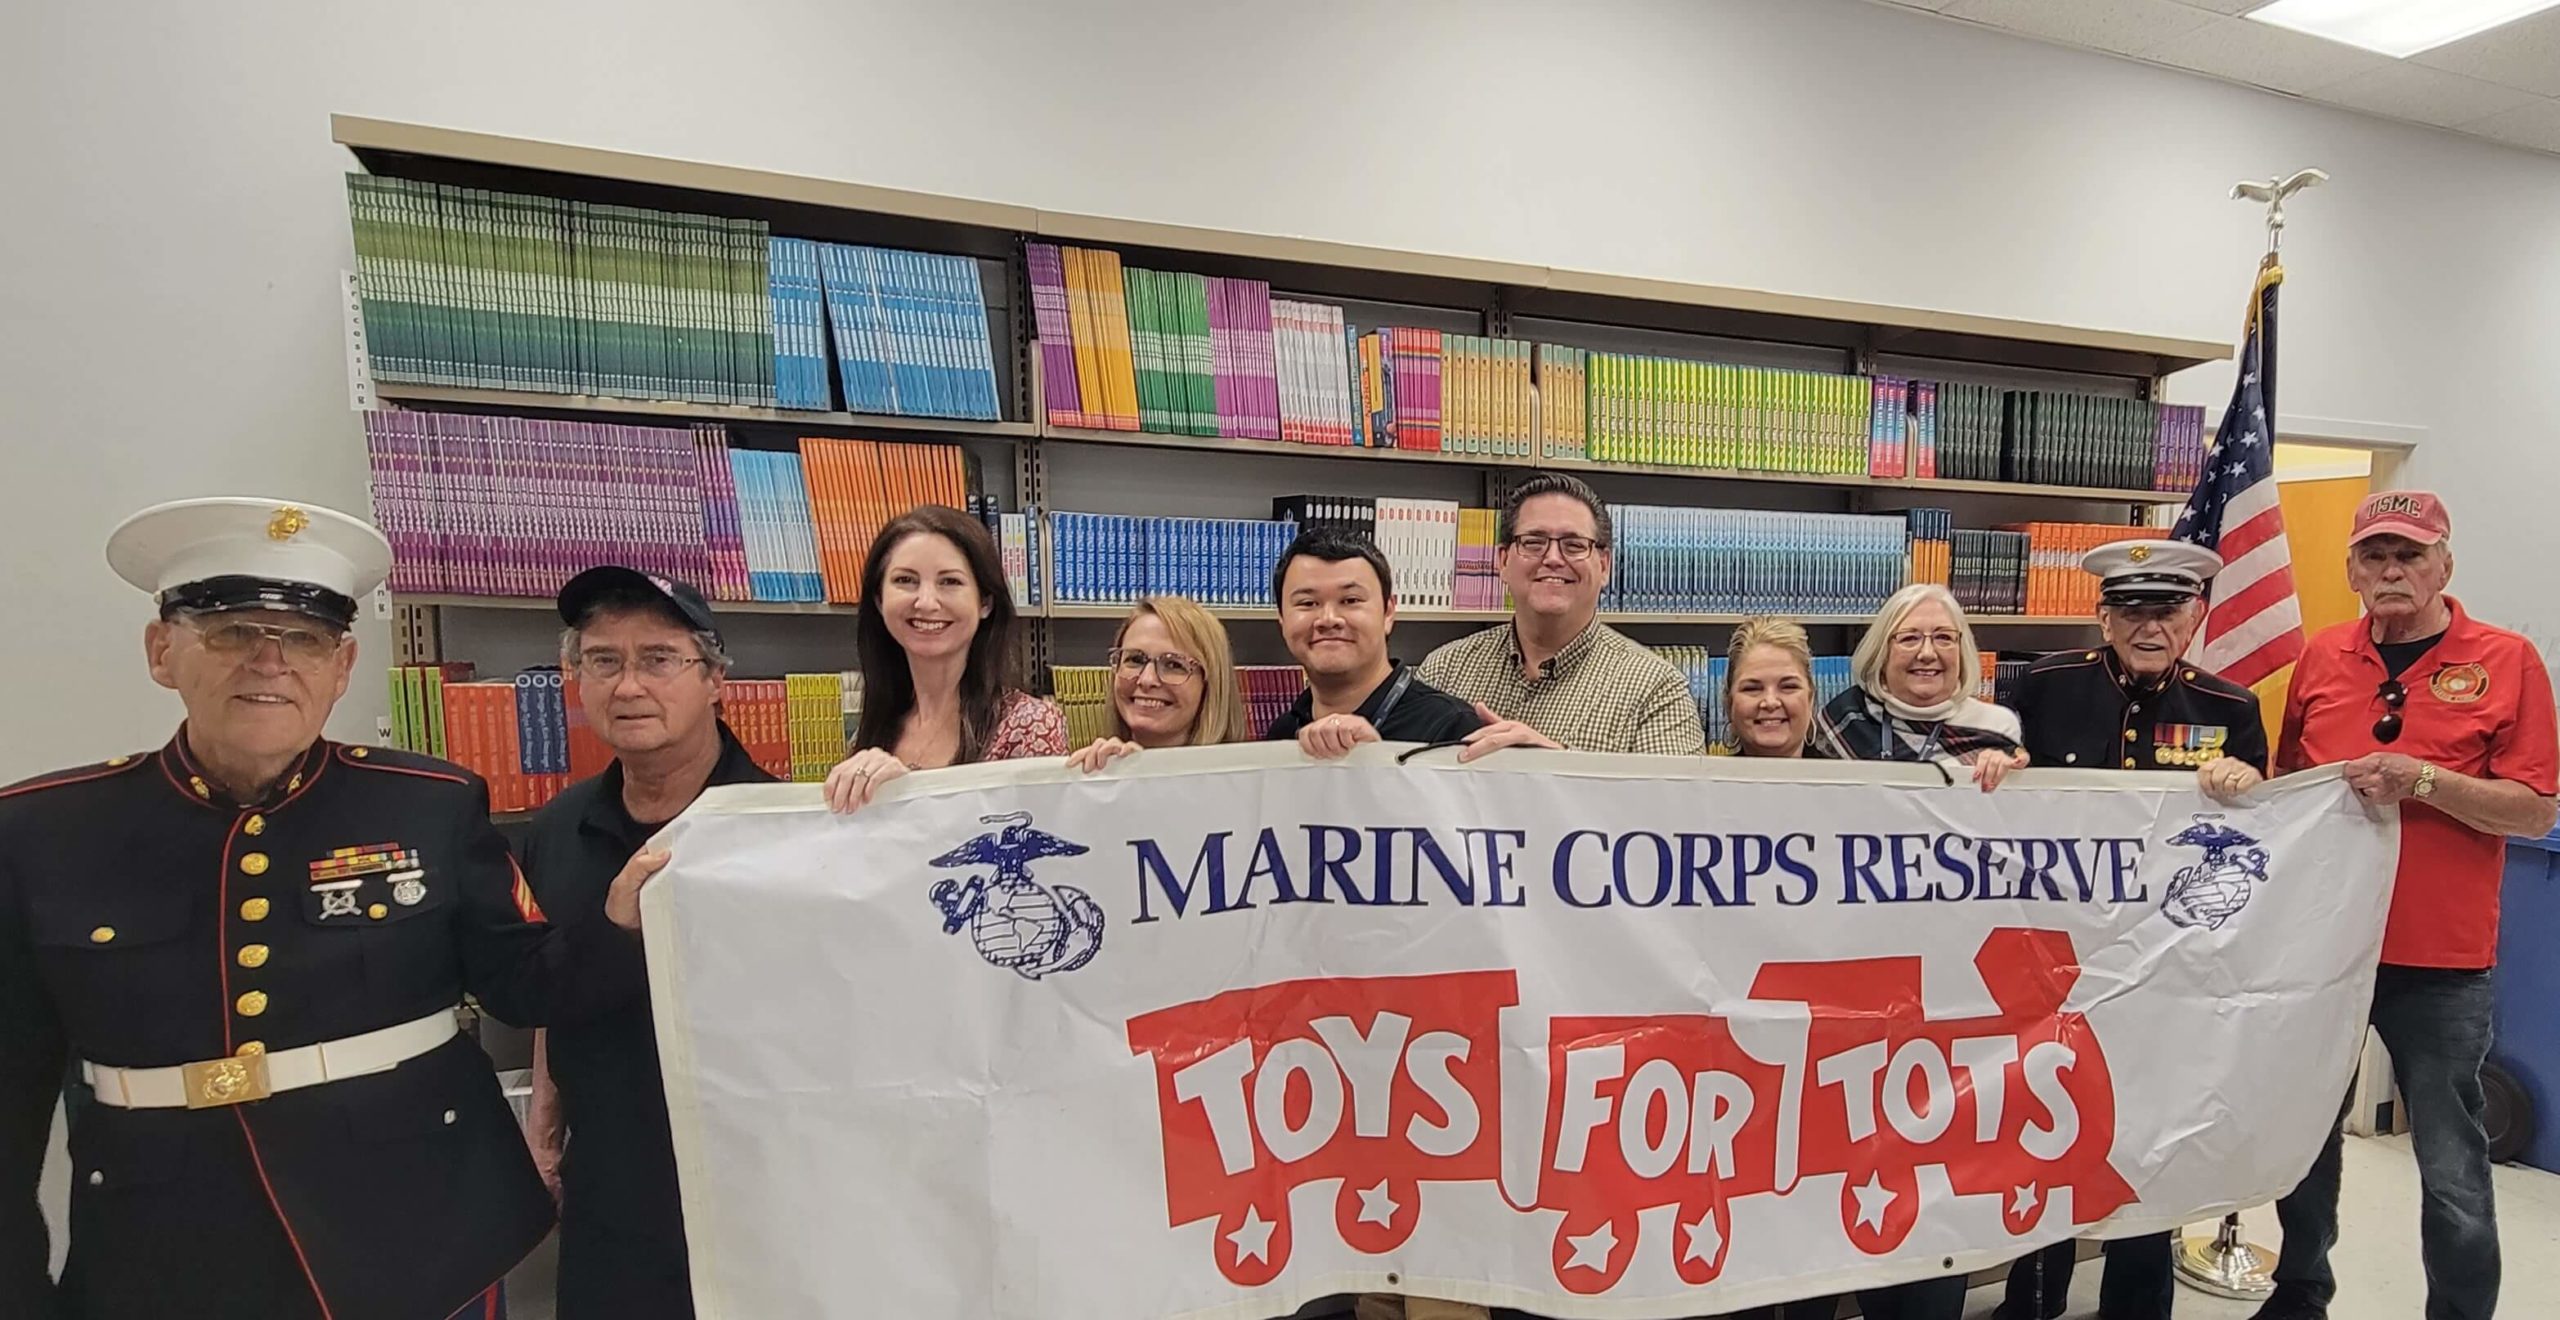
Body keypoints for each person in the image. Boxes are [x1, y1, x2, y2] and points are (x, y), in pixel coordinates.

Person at [0, 497, 651, 1320]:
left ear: (341, 668)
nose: (271, 663)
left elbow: (523, 986)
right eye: (233, 630)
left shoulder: (429, 803)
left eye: (304, 640)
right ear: (163, 651)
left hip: (420, 1234)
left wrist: (624, 921)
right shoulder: (39, 830)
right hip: (161, 1250)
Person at [2204, 492, 2556, 1320]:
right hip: (2323, 949)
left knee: (2452, 1159)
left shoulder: (2507, 661)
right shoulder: (2324, 657)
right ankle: (2300, 1294)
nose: (2392, 570)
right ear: (2353, 570)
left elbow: (2536, 808)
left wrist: (2425, 781)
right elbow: (2293, 790)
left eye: (2411, 555)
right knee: (2305, 1139)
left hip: (2441, 960)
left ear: (2445, 565)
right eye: (2375, 556)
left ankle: (2460, 1311)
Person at [1992, 539, 2268, 1320]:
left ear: (2196, 617)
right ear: (2104, 616)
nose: (2151, 627)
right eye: (2134, 610)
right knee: (2046, 1140)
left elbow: (2256, 849)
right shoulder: (2045, 687)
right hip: (2057, 963)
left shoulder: (2230, 709)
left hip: (2167, 974)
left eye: (2169, 610)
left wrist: (2250, 786)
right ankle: (2032, 1305)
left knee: (2151, 1150)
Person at [517, 567, 774, 1319]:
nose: (629, 686)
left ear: (715, 677)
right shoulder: (556, 829)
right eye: (603, 660)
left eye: (659, 660)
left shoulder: (776, 830)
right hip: (606, 1190)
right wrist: (543, 1123)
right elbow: (551, 984)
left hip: (747, 1193)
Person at [1718, 616, 1965, 1320]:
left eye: (1788, 686)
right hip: (1742, 1074)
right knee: (1755, 1263)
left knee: (1840, 1259)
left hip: (1850, 1068)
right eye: (1753, 688)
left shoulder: (1870, 794)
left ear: (1811, 696)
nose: (1771, 702)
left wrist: (1999, 779)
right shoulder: (1689, 789)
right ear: (1727, 702)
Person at [1419, 473, 1706, 755]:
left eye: (1574, 545)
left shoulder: (1657, 690)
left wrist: (1558, 768)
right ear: (1503, 561)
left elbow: (1675, 802)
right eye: (1533, 542)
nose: (1553, 559)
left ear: (1604, 566)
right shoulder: (1444, 671)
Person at [822, 506, 1067, 812]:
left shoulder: (1029, 726)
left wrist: (911, 797)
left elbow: (1036, 846)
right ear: (879, 599)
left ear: (985, 602)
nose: (926, 602)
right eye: (905, 580)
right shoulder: (871, 732)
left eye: (950, 582)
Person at [1809, 582, 2028, 790]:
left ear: (1961, 650)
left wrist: (2009, 773)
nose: (1927, 653)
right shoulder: (1842, 719)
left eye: (1943, 637)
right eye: (1909, 638)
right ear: (1881, 653)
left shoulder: (1998, 726)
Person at [1065, 595, 1251, 773]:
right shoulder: (1095, 778)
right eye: (1135, 659)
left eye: (1173, 664)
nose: (1147, 679)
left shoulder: (1242, 787)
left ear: (1211, 684)